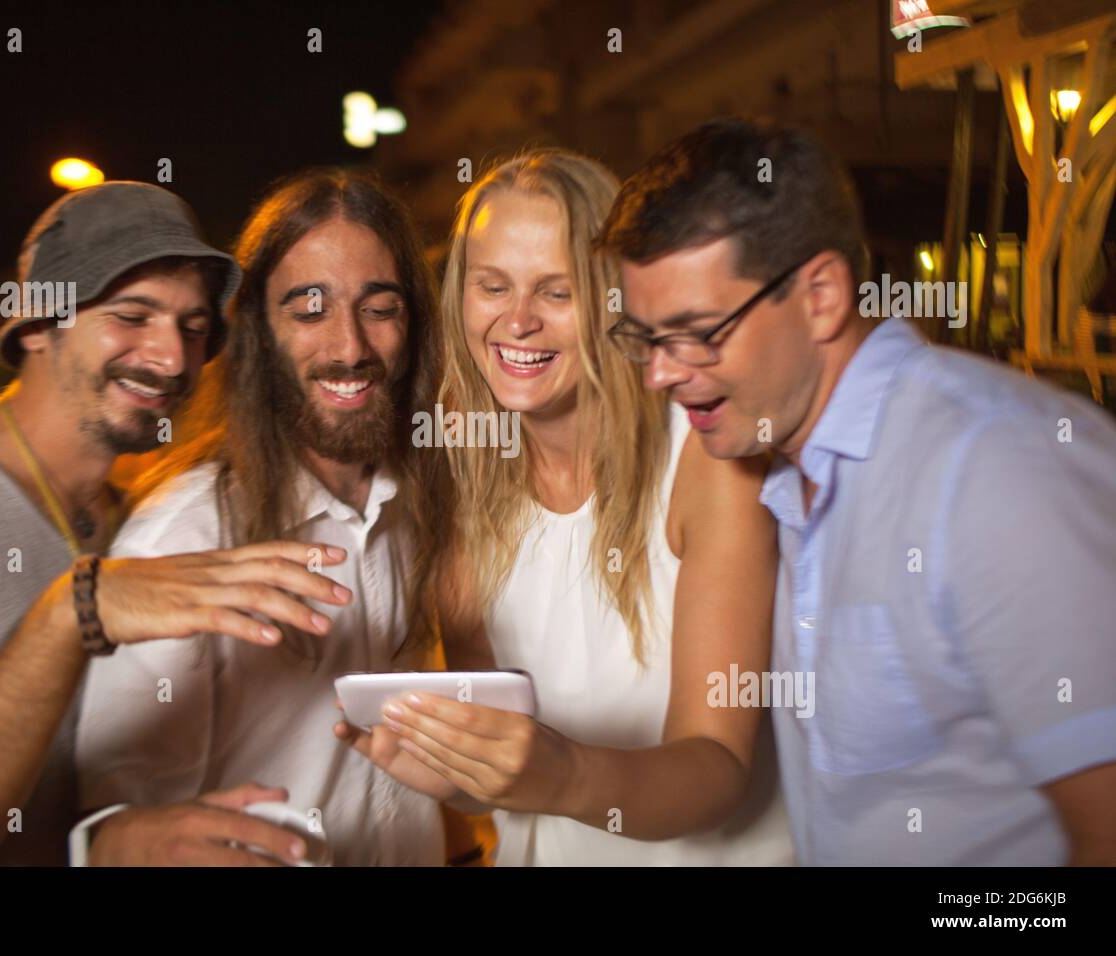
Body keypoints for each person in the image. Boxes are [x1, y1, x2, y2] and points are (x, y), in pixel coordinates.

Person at [602, 117, 1116, 865]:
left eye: (697, 332)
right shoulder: (780, 469)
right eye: (645, 338)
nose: (660, 374)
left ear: (820, 295)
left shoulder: (995, 469)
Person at [0, 181, 345, 866]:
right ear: (36, 324)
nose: (172, 358)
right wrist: (74, 611)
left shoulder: (141, 516)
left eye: (192, 327)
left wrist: (115, 839)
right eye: (132, 315)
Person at [340, 149, 792, 865]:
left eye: (556, 292)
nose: (516, 322)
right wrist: (457, 772)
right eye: (493, 287)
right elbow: (504, 765)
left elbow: (718, 768)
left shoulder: (709, 460)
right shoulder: (459, 483)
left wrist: (564, 776)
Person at [75, 169, 451, 866]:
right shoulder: (184, 536)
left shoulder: (427, 504)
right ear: (259, 332)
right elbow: (128, 825)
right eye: (309, 309)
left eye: (379, 307)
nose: (349, 347)